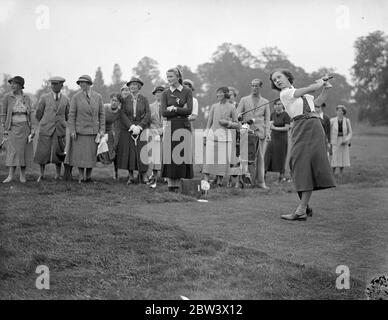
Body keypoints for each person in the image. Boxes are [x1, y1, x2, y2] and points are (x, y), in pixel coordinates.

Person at [270, 69, 336, 221]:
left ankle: (301, 210)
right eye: (274, 80)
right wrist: (319, 82)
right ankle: (304, 207)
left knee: (306, 165)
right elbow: (310, 88)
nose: (277, 81)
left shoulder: (301, 94)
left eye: (279, 77)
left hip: (314, 125)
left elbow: (317, 103)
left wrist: (326, 87)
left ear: (287, 77)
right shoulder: (285, 93)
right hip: (300, 126)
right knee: (298, 164)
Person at [66, 75, 105, 183]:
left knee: (91, 156)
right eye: (80, 83)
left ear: (89, 84)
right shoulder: (76, 97)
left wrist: (102, 130)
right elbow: (71, 115)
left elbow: (102, 114)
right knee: (80, 156)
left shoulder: (98, 97)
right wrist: (72, 130)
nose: (82, 85)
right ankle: (81, 176)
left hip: (93, 132)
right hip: (80, 132)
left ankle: (88, 176)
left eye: (84, 83)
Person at [161, 67, 194, 192]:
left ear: (178, 77)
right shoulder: (165, 93)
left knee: (181, 155)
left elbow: (189, 111)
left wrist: (174, 108)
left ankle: (179, 186)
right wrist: (181, 110)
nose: (168, 79)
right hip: (170, 126)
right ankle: (171, 186)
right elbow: (164, 112)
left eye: (171, 77)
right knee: (170, 155)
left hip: (183, 126)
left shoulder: (187, 91)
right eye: (167, 77)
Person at [34, 76, 70, 182]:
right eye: (52, 84)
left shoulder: (66, 99)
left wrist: (63, 124)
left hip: (59, 130)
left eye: (56, 84)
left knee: (59, 153)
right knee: (42, 153)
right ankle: (41, 174)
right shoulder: (44, 98)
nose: (53, 86)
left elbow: (68, 115)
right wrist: (42, 123)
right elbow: (38, 114)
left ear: (61, 85)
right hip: (46, 129)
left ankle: (57, 174)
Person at [116, 77, 151, 184]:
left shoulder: (144, 99)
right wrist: (131, 127)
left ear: (139, 86)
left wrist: (140, 126)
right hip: (128, 129)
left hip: (141, 129)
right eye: (131, 85)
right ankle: (131, 176)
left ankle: (144, 176)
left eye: (135, 84)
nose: (132, 86)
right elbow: (122, 114)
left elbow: (148, 114)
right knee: (129, 152)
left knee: (142, 152)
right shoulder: (125, 99)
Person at [237, 78, 270, 189]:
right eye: (252, 85)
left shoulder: (265, 102)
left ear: (260, 87)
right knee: (244, 157)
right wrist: (239, 116)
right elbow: (237, 114)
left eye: (256, 86)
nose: (254, 88)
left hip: (260, 133)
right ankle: (243, 181)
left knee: (260, 158)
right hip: (246, 132)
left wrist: (268, 132)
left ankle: (261, 182)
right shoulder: (244, 100)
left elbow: (267, 119)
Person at [203, 87, 239, 187]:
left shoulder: (232, 107)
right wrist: (205, 136)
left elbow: (237, 124)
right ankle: (205, 181)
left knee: (221, 162)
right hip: (213, 137)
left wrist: (228, 123)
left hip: (225, 138)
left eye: (220, 93)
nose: (218, 95)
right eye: (217, 93)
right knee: (208, 161)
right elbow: (208, 123)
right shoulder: (214, 106)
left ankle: (219, 183)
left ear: (225, 94)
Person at [1, 76, 34, 183]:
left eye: (14, 84)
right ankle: (10, 176)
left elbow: (31, 114)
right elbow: (3, 113)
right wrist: (4, 127)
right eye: (11, 84)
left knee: (23, 151)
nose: (12, 86)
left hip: (25, 128)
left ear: (20, 85)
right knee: (13, 152)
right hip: (12, 128)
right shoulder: (7, 97)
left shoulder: (27, 98)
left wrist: (32, 128)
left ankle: (22, 176)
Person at [264, 99, 291, 182]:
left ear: (282, 105)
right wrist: (268, 132)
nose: (278, 106)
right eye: (276, 104)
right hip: (273, 137)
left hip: (282, 138)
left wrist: (275, 128)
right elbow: (269, 124)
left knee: (281, 156)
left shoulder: (286, 114)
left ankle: (281, 176)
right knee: (268, 155)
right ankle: (263, 175)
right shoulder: (272, 114)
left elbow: (287, 128)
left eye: (279, 104)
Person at [99, 93, 121, 179]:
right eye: (113, 100)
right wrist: (101, 132)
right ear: (110, 100)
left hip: (109, 131)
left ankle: (115, 172)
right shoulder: (104, 107)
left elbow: (117, 124)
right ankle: (87, 173)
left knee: (113, 150)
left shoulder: (119, 112)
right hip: (100, 130)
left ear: (119, 103)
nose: (114, 102)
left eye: (116, 101)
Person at [147, 86, 164, 188]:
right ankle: (154, 177)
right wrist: (156, 131)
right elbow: (149, 122)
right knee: (155, 157)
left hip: (166, 133)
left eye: (161, 92)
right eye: (157, 93)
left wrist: (163, 130)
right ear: (154, 94)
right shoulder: (150, 106)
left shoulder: (167, 106)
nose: (159, 94)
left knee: (165, 156)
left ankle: (166, 177)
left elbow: (169, 120)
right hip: (154, 134)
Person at [330, 105, 352, 178]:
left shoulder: (347, 120)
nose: (339, 112)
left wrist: (346, 140)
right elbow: (329, 131)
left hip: (344, 140)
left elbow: (350, 132)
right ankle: (332, 173)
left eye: (341, 110)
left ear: (343, 112)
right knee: (335, 157)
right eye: (338, 110)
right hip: (335, 140)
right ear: (336, 112)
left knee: (343, 157)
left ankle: (341, 173)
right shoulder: (332, 120)